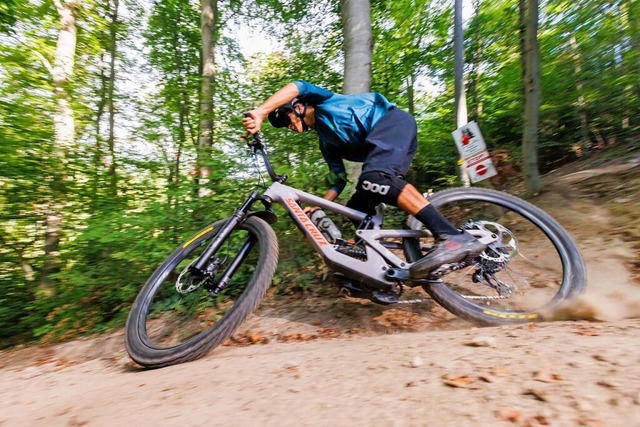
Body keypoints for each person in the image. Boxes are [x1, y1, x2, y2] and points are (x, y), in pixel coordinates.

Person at [242, 80, 486, 278]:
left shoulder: (325, 102)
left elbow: (299, 86)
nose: (289, 127)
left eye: (286, 119)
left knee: (376, 179)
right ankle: (383, 271)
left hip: (393, 123)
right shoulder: (326, 143)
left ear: (298, 107)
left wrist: (261, 112)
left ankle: (452, 237)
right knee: (356, 208)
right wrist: (317, 205)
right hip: (388, 144)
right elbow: (338, 180)